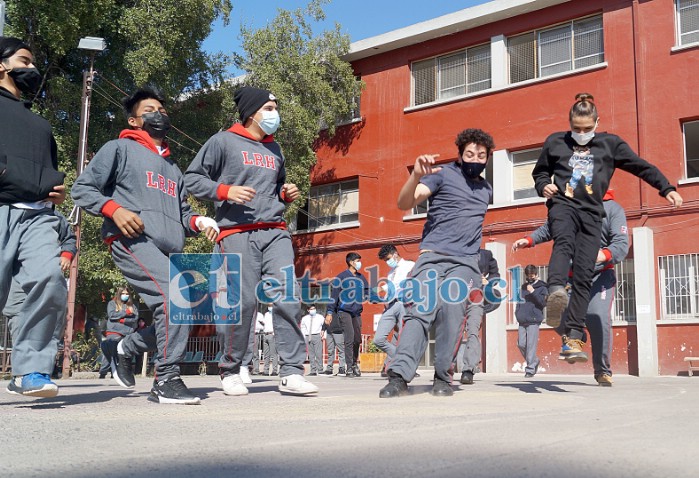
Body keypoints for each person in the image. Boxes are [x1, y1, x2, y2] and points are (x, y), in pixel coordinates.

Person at [71, 86, 219, 405]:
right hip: (130, 238)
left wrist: (199, 222)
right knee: (174, 296)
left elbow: (184, 215)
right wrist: (114, 209)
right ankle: (165, 379)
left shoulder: (174, 170)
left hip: (167, 245)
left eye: (163, 111)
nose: (159, 115)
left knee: (184, 307)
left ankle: (127, 347)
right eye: (150, 110)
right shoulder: (119, 148)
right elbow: (82, 189)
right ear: (135, 120)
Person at [185, 86, 317, 397]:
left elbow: (277, 188)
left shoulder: (276, 149)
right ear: (251, 113)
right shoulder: (223, 141)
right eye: (269, 108)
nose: (275, 114)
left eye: (275, 108)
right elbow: (192, 178)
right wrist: (225, 191)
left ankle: (292, 372)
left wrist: (286, 193)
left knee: (288, 296)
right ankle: (231, 369)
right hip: (235, 232)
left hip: (274, 230)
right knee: (241, 303)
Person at [531, 93, 682, 363]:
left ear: (597, 123)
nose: (581, 134)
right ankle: (555, 290)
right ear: (569, 124)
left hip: (592, 213)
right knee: (563, 241)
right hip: (563, 206)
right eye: (576, 129)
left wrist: (666, 187)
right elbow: (540, 172)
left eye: (587, 129)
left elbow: (640, 166)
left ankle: (574, 336)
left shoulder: (610, 144)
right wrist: (544, 185)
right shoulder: (555, 141)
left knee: (584, 272)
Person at [380, 128, 494, 398]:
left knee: (453, 313)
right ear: (460, 154)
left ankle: (443, 376)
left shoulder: (486, 190)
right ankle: (398, 377)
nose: (475, 159)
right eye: (469, 154)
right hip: (432, 256)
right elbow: (404, 202)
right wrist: (416, 175)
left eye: (481, 155)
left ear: (488, 158)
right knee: (420, 311)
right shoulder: (442, 174)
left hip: (465, 263)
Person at [0, 37, 68, 398]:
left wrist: (54, 189)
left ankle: (31, 371)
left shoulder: (39, 124)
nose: (31, 69)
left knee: (51, 281)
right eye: (24, 60)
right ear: (1, 65)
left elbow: (49, 171)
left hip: (38, 217)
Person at [513, 189, 628, 385]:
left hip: (600, 275)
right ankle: (576, 335)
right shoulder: (569, 206)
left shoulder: (612, 209)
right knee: (555, 316)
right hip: (572, 278)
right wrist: (529, 239)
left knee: (597, 317)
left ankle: (602, 370)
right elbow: (550, 228)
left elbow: (621, 243)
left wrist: (603, 254)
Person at [459, 247, 501, 384]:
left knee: (472, 332)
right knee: (453, 334)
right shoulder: (456, 252)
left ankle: (468, 370)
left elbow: (496, 275)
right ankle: (444, 369)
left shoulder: (486, 254)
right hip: (456, 300)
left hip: (476, 300)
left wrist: (488, 282)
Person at [325, 252, 370, 378]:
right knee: (349, 339)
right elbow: (333, 297)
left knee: (357, 340)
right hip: (344, 311)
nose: (360, 263)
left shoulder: (361, 278)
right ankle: (349, 367)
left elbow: (368, 292)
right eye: (357, 260)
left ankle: (354, 363)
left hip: (356, 312)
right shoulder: (341, 277)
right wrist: (329, 313)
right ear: (351, 262)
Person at [373, 245, 415, 375]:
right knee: (378, 339)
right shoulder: (391, 273)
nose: (387, 262)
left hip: (405, 304)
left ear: (395, 254)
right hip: (391, 306)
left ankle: (399, 366)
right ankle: (402, 359)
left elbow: (402, 283)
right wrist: (383, 299)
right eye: (385, 260)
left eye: (388, 258)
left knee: (403, 337)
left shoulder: (410, 265)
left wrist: (381, 288)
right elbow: (391, 288)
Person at [513, 266, 547, 378]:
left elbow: (543, 303)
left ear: (536, 274)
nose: (529, 277)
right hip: (522, 319)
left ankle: (530, 369)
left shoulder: (542, 287)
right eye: (527, 275)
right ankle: (535, 361)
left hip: (534, 320)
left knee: (531, 345)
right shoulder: (523, 287)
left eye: (531, 275)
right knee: (521, 344)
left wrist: (533, 292)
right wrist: (517, 312)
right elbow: (519, 300)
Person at [101, 287, 139, 377]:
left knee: (124, 354)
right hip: (114, 332)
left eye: (127, 294)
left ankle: (118, 373)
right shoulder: (112, 304)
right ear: (119, 294)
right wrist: (126, 313)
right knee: (110, 353)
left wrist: (122, 320)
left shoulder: (132, 306)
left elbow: (135, 318)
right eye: (123, 294)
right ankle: (103, 372)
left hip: (127, 333)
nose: (125, 296)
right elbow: (112, 315)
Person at [301, 305, 323, 375]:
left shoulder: (320, 317)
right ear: (308, 310)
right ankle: (313, 370)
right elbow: (303, 327)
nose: (313, 310)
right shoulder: (305, 318)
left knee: (318, 354)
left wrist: (323, 335)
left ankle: (320, 369)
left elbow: (324, 326)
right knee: (311, 355)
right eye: (311, 309)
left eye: (314, 308)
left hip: (317, 335)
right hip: (308, 336)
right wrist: (304, 336)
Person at [261, 305, 279, 377]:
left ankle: (274, 370)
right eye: (269, 306)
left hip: (272, 334)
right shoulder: (266, 314)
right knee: (266, 354)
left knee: (273, 354)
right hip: (265, 334)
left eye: (271, 305)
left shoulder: (276, 314)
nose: (270, 307)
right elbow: (264, 324)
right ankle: (266, 370)